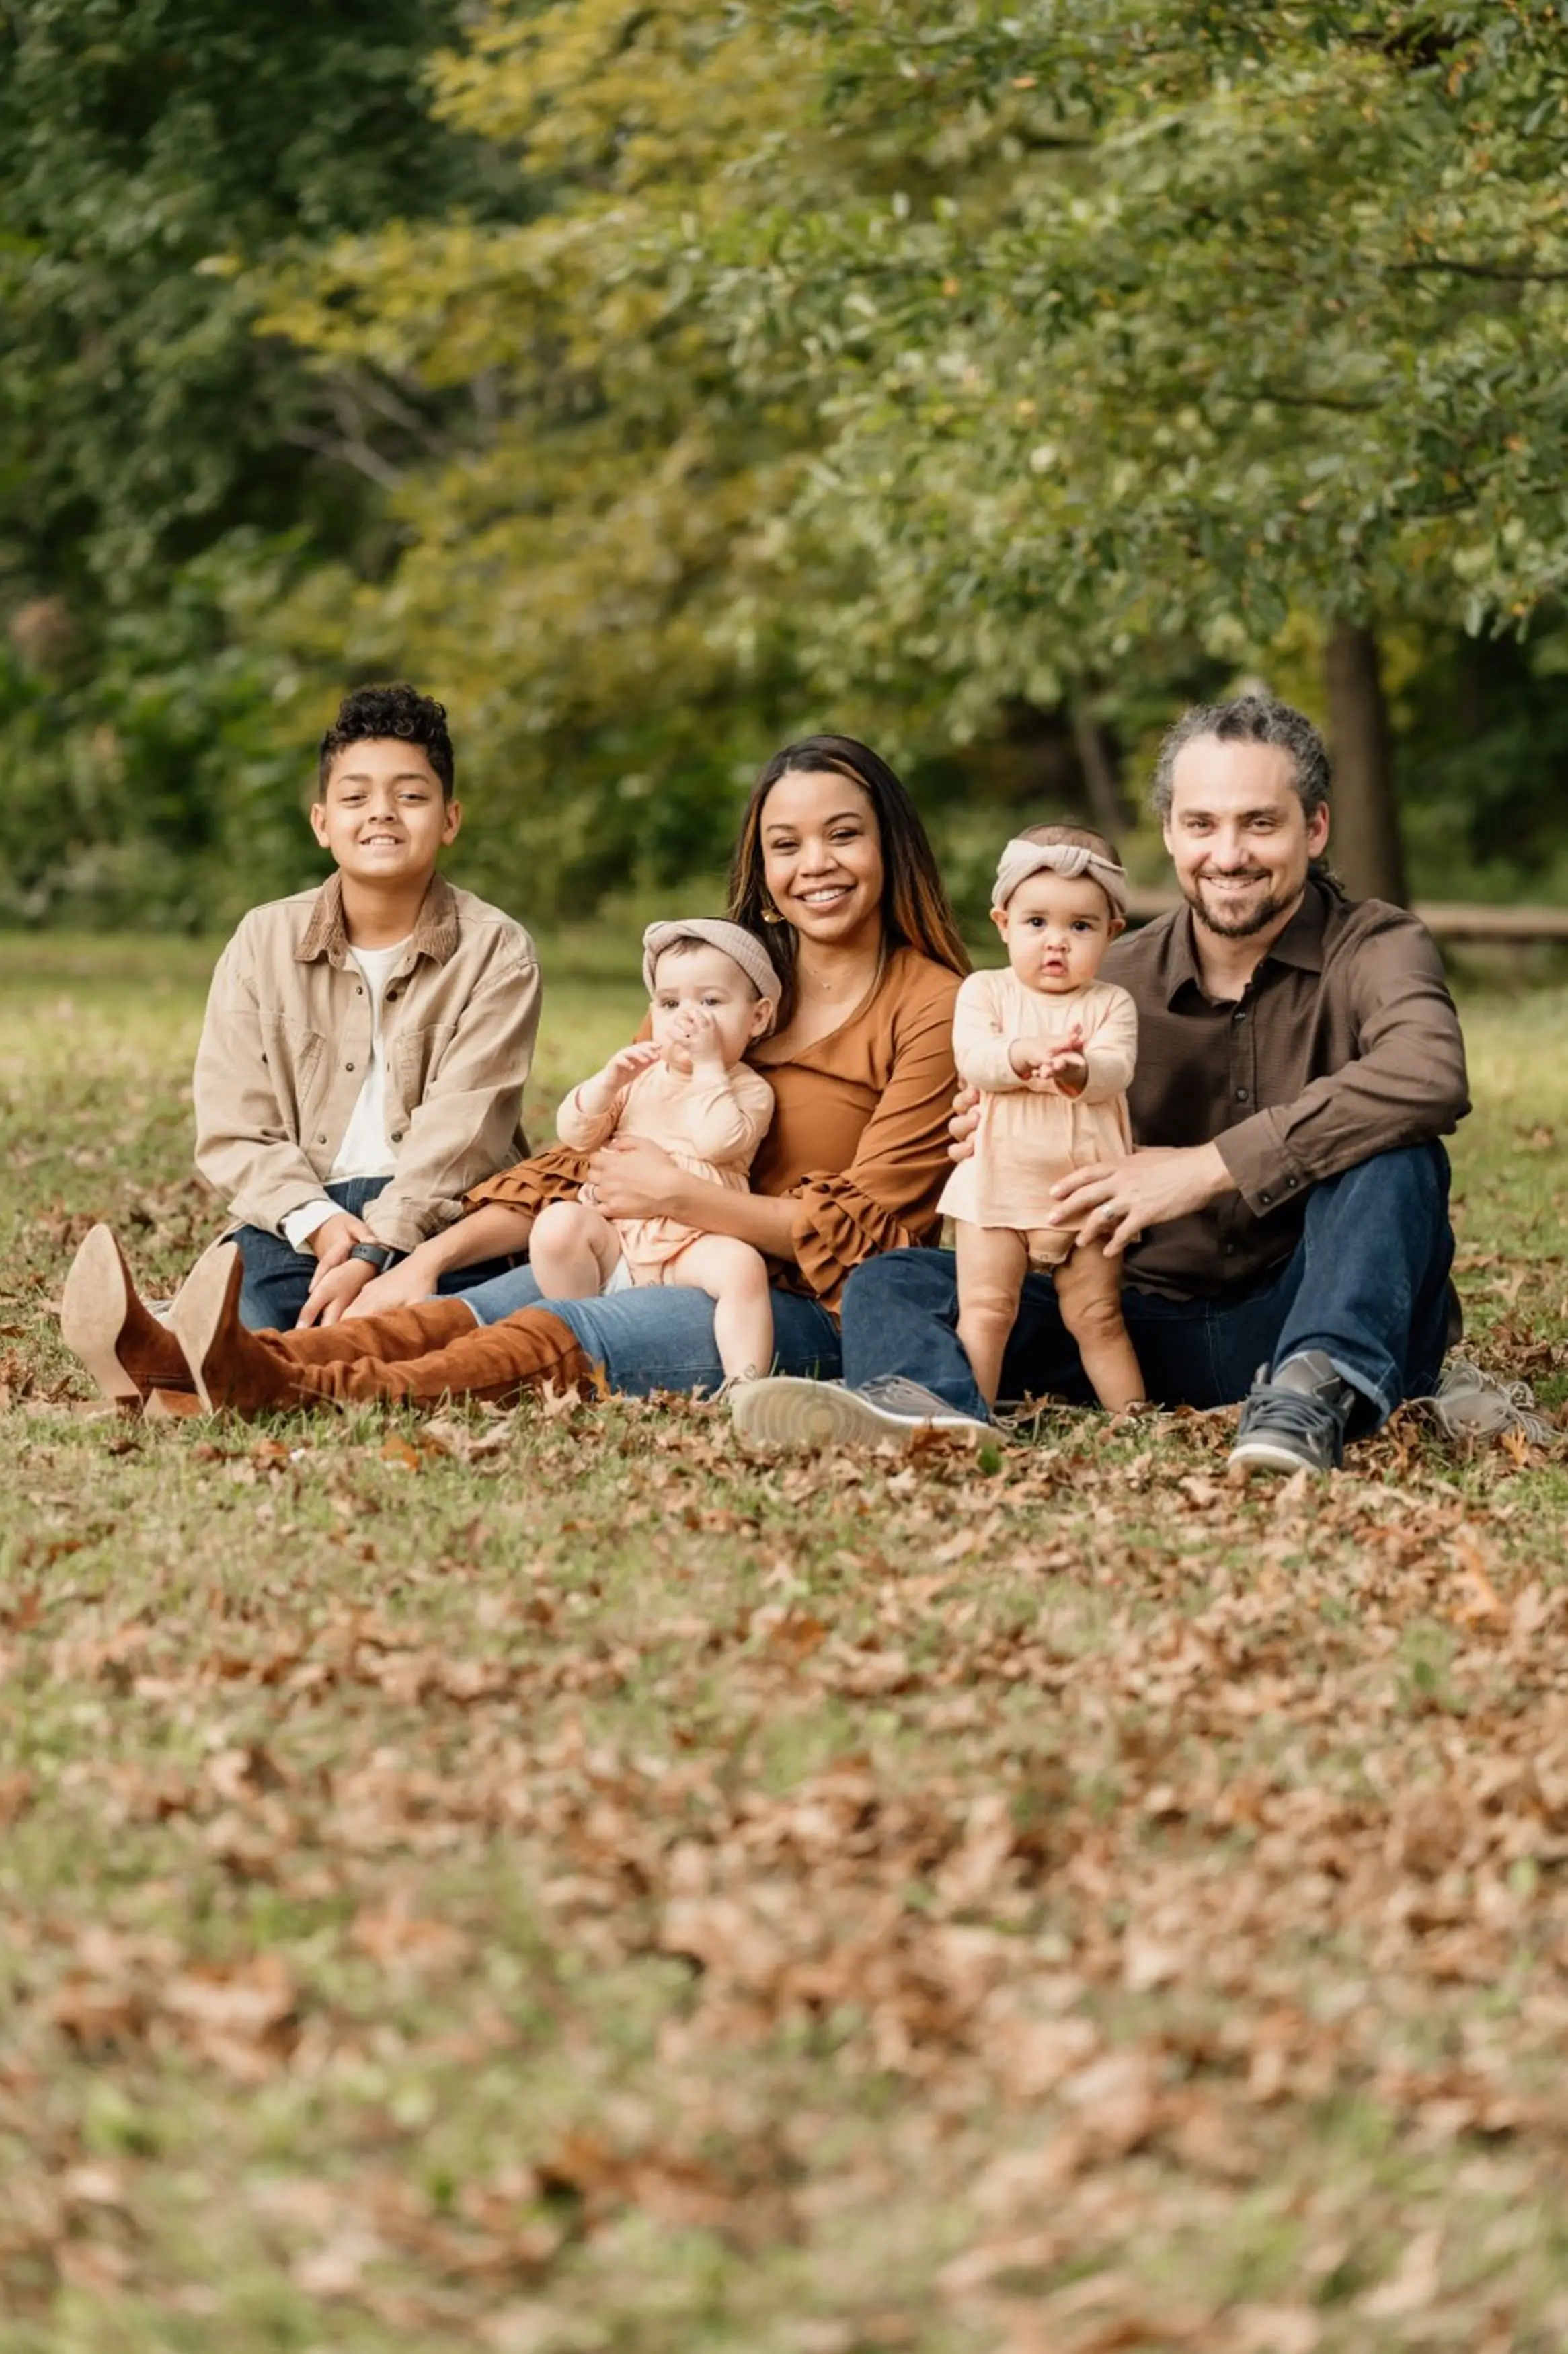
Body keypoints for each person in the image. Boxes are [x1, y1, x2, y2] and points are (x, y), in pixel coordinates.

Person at [58, 736, 969, 1417]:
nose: (815, 864)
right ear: (761, 871)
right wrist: (429, 1260)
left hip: (787, 1305)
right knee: (454, 1313)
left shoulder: (932, 1004)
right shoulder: (724, 979)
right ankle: (179, 1361)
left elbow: (873, 1234)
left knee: (547, 1336)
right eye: (786, 845)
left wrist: (686, 1202)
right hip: (628, 1246)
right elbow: (589, 1161)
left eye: (843, 836)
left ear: (889, 845)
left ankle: (291, 1391)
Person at [732, 693, 1481, 1476]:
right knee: (895, 1277)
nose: (1227, 853)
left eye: (1259, 823)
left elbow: (1426, 1073)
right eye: (1201, 824)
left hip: (1299, 1304)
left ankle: (1308, 1394)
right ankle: (933, 1410)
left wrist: (1204, 1166)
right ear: (1168, 832)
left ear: (1315, 827)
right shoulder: (1096, 978)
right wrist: (996, 1125)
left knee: (1399, 1157)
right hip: (1126, 1314)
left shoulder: (1376, 945)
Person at [196, 681, 539, 1330]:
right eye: (355, 797)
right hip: (303, 1213)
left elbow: (463, 1134)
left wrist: (376, 1250)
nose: (382, 813)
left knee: (450, 1321)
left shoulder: (498, 951)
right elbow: (234, 1125)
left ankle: (275, 1359)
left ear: (450, 819)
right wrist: (325, 1228)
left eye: (410, 796)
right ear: (323, 823)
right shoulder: (262, 941)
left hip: (444, 1218)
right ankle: (242, 1348)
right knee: (259, 1309)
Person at [943, 824, 1143, 1413]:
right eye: (1037, 923)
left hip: (1086, 1192)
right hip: (997, 1186)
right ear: (1003, 924)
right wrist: (1022, 1053)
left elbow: (1117, 1068)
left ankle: (1135, 1423)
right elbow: (974, 1058)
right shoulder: (986, 993)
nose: (1056, 942)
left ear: (1111, 934)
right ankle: (971, 1418)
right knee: (985, 1310)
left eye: (1080, 927)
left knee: (1099, 1316)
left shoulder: (1109, 1004)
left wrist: (1078, 1069)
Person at [532, 920, 780, 1384]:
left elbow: (718, 1141)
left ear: (758, 1017)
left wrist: (708, 1065)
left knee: (743, 1267)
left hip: (693, 1244)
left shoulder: (749, 1090)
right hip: (618, 1239)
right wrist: (606, 1084)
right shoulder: (642, 1078)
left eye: (710, 1002)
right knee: (555, 1226)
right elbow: (577, 1134)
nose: (689, 1019)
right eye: (671, 1004)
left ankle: (745, 1384)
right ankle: (587, 1337)